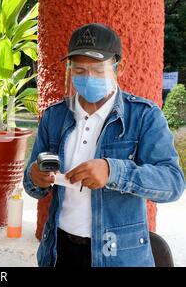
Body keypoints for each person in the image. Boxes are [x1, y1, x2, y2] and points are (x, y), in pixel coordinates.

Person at [23, 23, 185, 267]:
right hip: (59, 251)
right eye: (78, 69)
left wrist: (113, 171)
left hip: (118, 255)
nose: (88, 77)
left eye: (98, 69)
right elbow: (31, 183)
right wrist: (36, 177)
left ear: (118, 68)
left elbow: (172, 183)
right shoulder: (55, 116)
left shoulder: (143, 117)